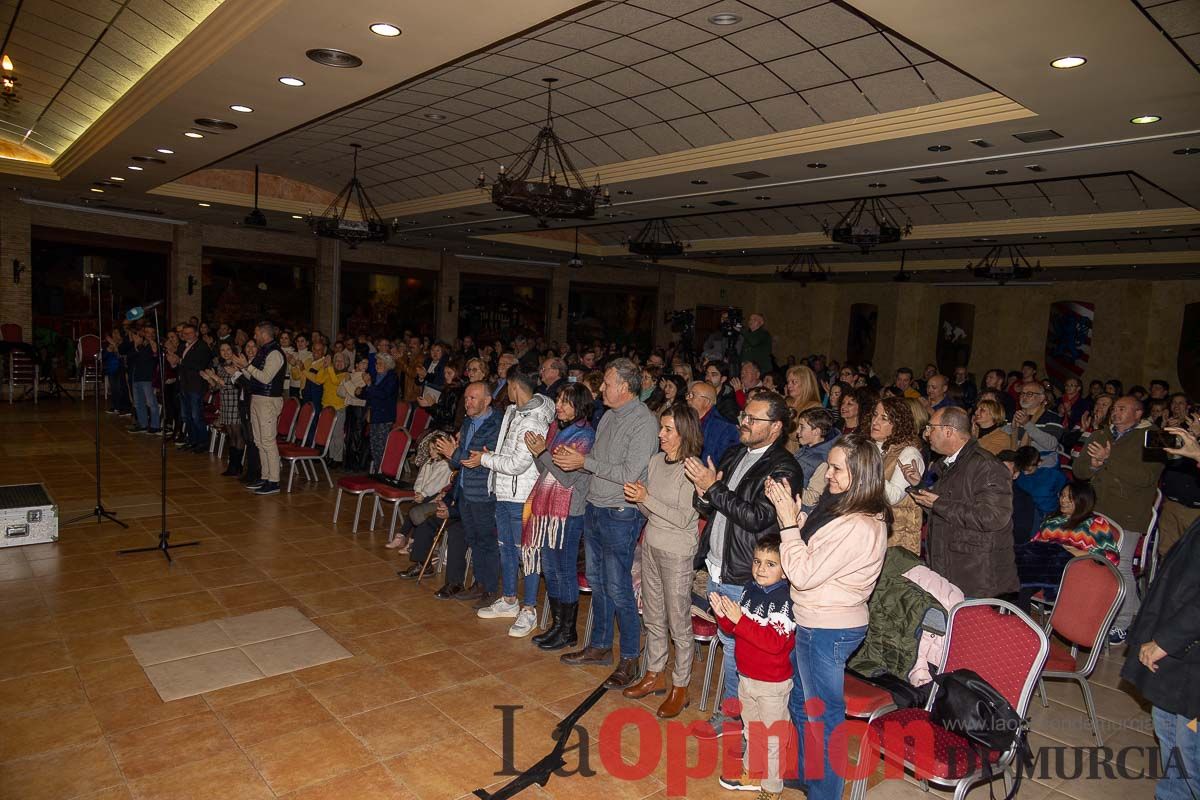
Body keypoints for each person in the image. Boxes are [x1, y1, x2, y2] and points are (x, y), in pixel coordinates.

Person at [765, 433, 888, 800]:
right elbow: (815, 547)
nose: (827, 473)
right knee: (802, 702)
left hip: (828, 628)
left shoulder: (860, 525)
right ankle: (809, 775)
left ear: (861, 474)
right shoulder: (842, 508)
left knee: (824, 715)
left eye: (836, 468)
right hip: (813, 618)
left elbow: (802, 572)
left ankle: (826, 793)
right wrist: (799, 516)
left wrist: (788, 524)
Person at [685, 390, 804, 732]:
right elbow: (712, 505)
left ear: (776, 426)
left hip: (747, 572)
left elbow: (757, 518)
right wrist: (703, 492)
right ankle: (737, 710)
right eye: (744, 417)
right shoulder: (736, 452)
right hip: (718, 563)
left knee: (743, 651)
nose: (744, 423)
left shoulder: (784, 467)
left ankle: (735, 714)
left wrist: (714, 490)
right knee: (730, 644)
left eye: (754, 419)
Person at [557, 359, 658, 688]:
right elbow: (599, 465)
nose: (601, 388)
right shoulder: (609, 417)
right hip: (596, 508)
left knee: (618, 587)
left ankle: (629, 657)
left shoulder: (643, 422)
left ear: (626, 388)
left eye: (607, 383)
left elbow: (629, 473)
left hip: (620, 513)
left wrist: (584, 461)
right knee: (599, 583)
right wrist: (579, 464)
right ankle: (600, 646)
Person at [1121, 428, 1200, 800]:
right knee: (1168, 730)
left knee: (1189, 751)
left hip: (1188, 647)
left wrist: (1166, 641)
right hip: (1180, 644)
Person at [621, 404, 702, 719]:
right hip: (652, 545)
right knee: (653, 616)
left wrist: (646, 499)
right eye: (662, 428)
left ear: (684, 432)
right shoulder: (656, 461)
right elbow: (650, 511)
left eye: (668, 429)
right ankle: (654, 673)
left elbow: (684, 519)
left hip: (678, 551)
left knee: (678, 622)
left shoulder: (691, 469)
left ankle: (680, 687)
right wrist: (639, 497)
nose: (661, 434)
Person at [710, 533, 797, 800]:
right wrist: (724, 616)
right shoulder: (750, 589)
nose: (761, 569)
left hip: (772, 684)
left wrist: (739, 621)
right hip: (747, 677)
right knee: (752, 728)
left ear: (786, 570)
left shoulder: (785, 600)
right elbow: (739, 631)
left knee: (772, 737)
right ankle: (751, 771)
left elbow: (774, 643)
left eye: (771, 564)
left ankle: (772, 788)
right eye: (757, 561)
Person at [1072, 395, 1162, 644]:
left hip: (1128, 513)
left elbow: (1147, 476)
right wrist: (1094, 463)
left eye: (1123, 409)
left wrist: (1109, 459)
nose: (1116, 412)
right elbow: (1079, 471)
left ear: (1138, 413)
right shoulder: (1101, 434)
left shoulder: (1153, 436)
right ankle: (1092, 613)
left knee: (1119, 565)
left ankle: (1124, 622)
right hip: (1097, 509)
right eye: (1115, 408)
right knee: (1089, 563)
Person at [474, 369, 555, 634]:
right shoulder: (512, 411)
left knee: (527, 554)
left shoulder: (533, 420)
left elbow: (519, 464)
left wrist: (483, 460)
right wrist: (493, 455)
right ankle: (509, 599)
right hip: (504, 491)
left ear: (513, 386)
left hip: (523, 496)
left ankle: (529, 608)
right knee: (506, 548)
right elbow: (507, 452)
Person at [908, 406, 1019, 599]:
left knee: (972, 629)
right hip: (951, 568)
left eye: (931, 428)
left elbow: (993, 517)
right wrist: (924, 496)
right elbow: (947, 511)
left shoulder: (986, 465)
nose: (927, 434)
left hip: (975, 576)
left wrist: (939, 504)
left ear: (948, 431)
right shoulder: (952, 464)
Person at [523, 382, 596, 651]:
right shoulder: (560, 431)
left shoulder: (585, 437)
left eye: (566, 402)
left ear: (580, 406)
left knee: (563, 571)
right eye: (559, 400)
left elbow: (565, 479)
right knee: (550, 569)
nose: (559, 406)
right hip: (550, 511)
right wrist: (537, 452)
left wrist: (542, 452)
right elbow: (546, 470)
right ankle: (556, 626)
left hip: (568, 513)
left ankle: (568, 632)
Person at [1015, 480, 1121, 612]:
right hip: (1044, 568)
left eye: (1069, 498)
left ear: (1082, 500)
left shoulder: (1094, 523)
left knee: (1023, 578)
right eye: (1062, 495)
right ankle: (1012, 621)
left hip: (1072, 571)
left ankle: (1017, 623)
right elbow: (1034, 543)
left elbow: (1113, 557)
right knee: (1017, 568)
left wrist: (1081, 553)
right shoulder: (1051, 520)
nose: (1063, 500)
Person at [230, 323, 285, 496]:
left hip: (268, 400)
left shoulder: (275, 353)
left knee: (268, 441)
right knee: (259, 441)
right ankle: (265, 476)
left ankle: (274, 481)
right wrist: (242, 368)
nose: (254, 337)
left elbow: (266, 378)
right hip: (258, 399)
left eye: (255, 334)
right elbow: (254, 378)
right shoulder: (263, 351)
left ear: (263, 334)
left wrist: (247, 366)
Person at [869, 398, 925, 555]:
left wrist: (869, 466)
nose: (875, 421)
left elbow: (893, 497)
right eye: (875, 415)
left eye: (884, 418)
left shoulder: (908, 453)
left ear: (898, 424)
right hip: (874, 530)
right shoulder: (875, 447)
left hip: (897, 538)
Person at [386, 431, 454, 553]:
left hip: (435, 495)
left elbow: (436, 484)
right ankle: (401, 536)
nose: (431, 452)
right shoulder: (429, 462)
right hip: (424, 494)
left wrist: (423, 495)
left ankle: (412, 541)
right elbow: (420, 478)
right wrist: (418, 491)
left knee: (418, 510)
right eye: (430, 449)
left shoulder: (446, 465)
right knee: (414, 507)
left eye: (434, 449)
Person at [170, 323, 212, 453]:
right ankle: (192, 440)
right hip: (184, 385)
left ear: (196, 334)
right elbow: (176, 362)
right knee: (186, 416)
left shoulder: (202, 347)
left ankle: (203, 442)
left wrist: (181, 361)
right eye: (184, 333)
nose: (186, 335)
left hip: (196, 386)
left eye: (189, 333)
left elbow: (199, 364)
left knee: (196, 415)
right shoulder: (183, 346)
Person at [1008, 380, 1065, 469]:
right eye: (1022, 393)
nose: (1024, 396)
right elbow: (1002, 439)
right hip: (1013, 462)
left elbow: (1051, 445)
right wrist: (1013, 427)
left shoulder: (1052, 418)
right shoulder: (1013, 416)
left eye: (1029, 394)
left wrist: (1027, 424)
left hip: (1039, 465)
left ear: (1041, 398)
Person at [793, 407, 839, 511]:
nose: (797, 431)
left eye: (802, 427)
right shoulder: (805, 450)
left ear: (816, 432)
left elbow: (812, 499)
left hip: (802, 513)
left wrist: (787, 486)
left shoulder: (824, 462)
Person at [362, 353, 399, 474]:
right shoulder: (375, 376)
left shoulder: (392, 377)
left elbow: (384, 394)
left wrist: (369, 385)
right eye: (377, 363)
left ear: (388, 365)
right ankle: (379, 471)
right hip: (374, 414)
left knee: (382, 445)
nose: (378, 365)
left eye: (381, 363)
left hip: (385, 415)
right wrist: (359, 392)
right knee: (374, 446)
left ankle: (384, 472)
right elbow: (369, 393)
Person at [688, 381, 738, 466]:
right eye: (688, 395)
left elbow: (717, 464)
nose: (688, 398)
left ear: (706, 402)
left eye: (693, 395)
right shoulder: (687, 420)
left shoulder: (724, 429)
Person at [337, 356, 371, 472]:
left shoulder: (366, 377)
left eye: (366, 363)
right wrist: (347, 384)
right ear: (356, 364)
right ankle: (349, 463)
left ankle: (356, 464)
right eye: (362, 363)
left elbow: (356, 393)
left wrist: (347, 383)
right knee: (349, 436)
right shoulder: (351, 375)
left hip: (360, 408)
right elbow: (340, 392)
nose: (365, 366)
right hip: (350, 407)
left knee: (357, 437)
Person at [127, 326, 160, 434]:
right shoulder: (140, 345)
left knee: (151, 403)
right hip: (136, 377)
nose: (149, 334)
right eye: (147, 332)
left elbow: (156, 359)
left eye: (152, 332)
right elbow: (130, 357)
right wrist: (136, 346)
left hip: (148, 378)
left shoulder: (155, 345)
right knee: (138, 403)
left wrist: (155, 350)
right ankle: (143, 424)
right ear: (144, 333)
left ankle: (155, 425)